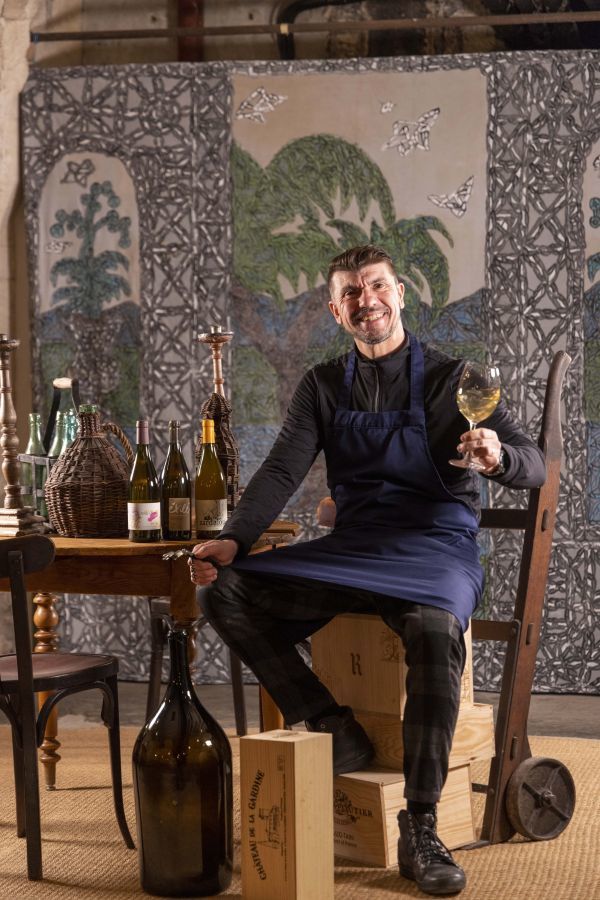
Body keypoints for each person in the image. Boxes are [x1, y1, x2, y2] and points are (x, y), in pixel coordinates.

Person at [189, 244, 545, 896]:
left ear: (400, 293)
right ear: (336, 310)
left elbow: (535, 463)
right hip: (354, 549)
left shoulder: (457, 378)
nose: (366, 300)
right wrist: (233, 540)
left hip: (437, 547)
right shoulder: (322, 386)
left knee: (435, 631)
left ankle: (421, 826)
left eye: (376, 286)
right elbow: (282, 469)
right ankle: (331, 724)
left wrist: (498, 457)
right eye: (350, 292)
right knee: (225, 593)